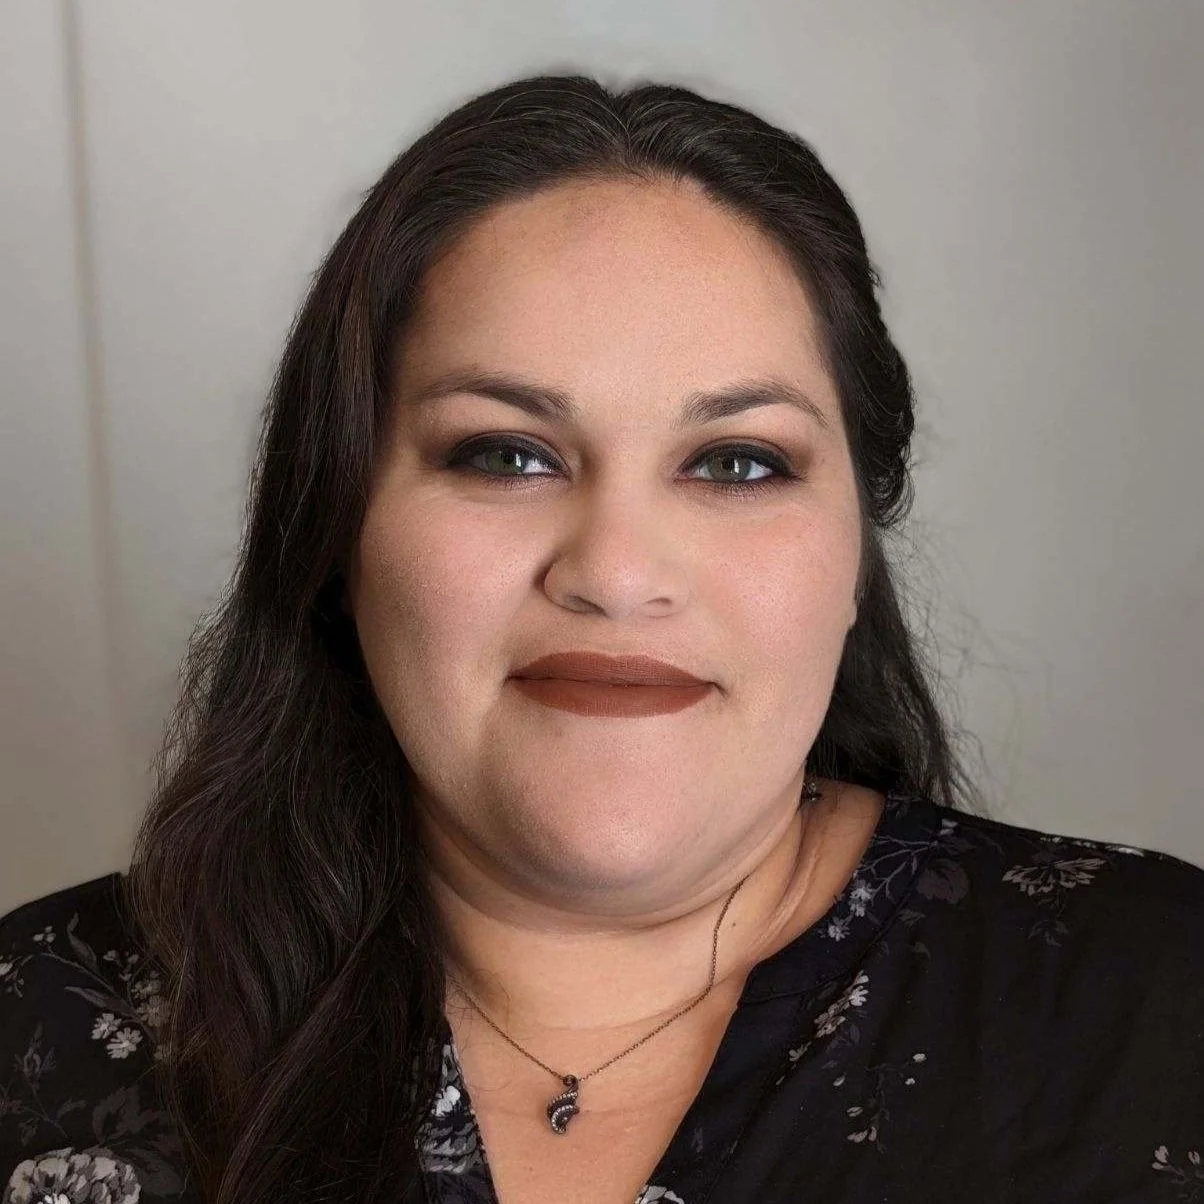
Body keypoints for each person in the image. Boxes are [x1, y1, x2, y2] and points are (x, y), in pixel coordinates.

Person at [1, 72, 1200, 1204]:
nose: (617, 573)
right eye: (504, 454)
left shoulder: (1153, 996)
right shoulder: (37, 1022)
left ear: (853, 558)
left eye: (737, 463)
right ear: (339, 532)